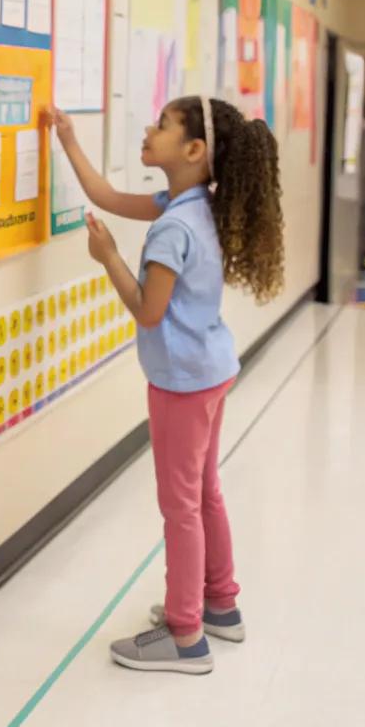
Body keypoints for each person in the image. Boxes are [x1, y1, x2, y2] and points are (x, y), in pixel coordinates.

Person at [49, 97, 284, 675]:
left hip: (180, 382)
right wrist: (68, 139)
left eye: (162, 126)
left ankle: (185, 635)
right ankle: (220, 604)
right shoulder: (195, 204)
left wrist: (107, 257)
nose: (148, 132)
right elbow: (105, 195)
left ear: (194, 151)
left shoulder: (171, 229)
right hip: (210, 370)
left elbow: (147, 311)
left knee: (180, 507)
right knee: (204, 494)